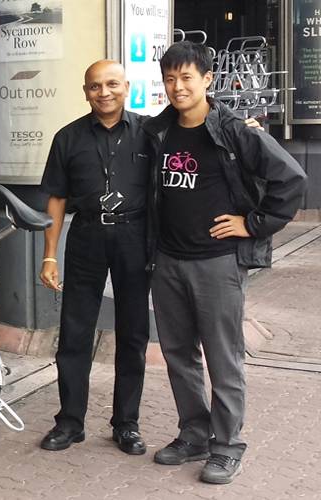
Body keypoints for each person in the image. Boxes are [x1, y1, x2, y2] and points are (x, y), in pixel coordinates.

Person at [142, 41, 307, 484]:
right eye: (170, 79)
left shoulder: (234, 131)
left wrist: (253, 224)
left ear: (208, 80)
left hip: (217, 264)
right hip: (169, 260)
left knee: (223, 358)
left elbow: (291, 179)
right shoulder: (157, 131)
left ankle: (227, 445)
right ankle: (194, 434)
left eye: (186, 78)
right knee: (178, 354)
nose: (177, 87)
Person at [38, 60, 151, 455]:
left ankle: (126, 424)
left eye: (112, 84)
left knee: (133, 333)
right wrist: (50, 255)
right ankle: (70, 422)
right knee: (74, 333)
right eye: (95, 86)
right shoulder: (67, 138)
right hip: (86, 234)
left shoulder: (150, 133)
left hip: (135, 237)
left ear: (127, 87)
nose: (104, 92)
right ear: (85, 91)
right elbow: (56, 198)